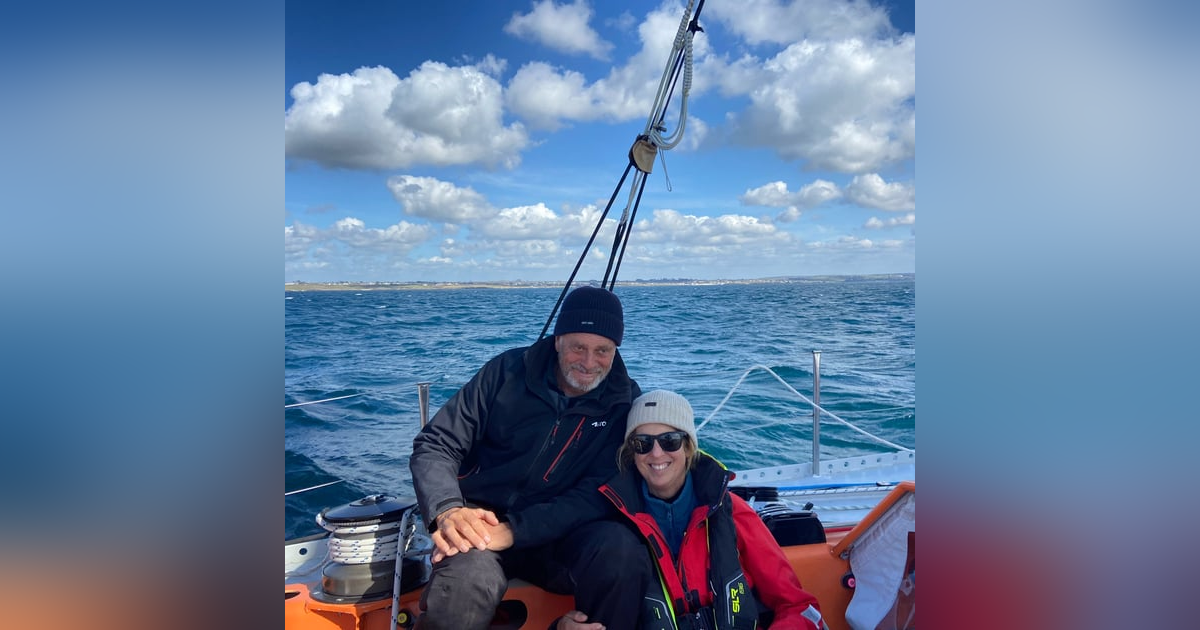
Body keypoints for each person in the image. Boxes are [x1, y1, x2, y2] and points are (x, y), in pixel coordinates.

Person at [409, 286, 649, 630]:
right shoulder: (505, 373)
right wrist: (447, 510)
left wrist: (516, 531)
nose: (588, 362)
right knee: (466, 582)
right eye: (578, 347)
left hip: (560, 536)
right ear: (557, 340)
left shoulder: (623, 402)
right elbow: (436, 444)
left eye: (603, 350)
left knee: (621, 552)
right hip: (481, 527)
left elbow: (600, 493)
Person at [598, 390, 828, 630]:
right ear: (632, 453)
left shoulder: (733, 512)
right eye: (642, 443)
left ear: (688, 447)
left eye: (670, 441)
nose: (656, 453)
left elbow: (799, 607)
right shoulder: (616, 527)